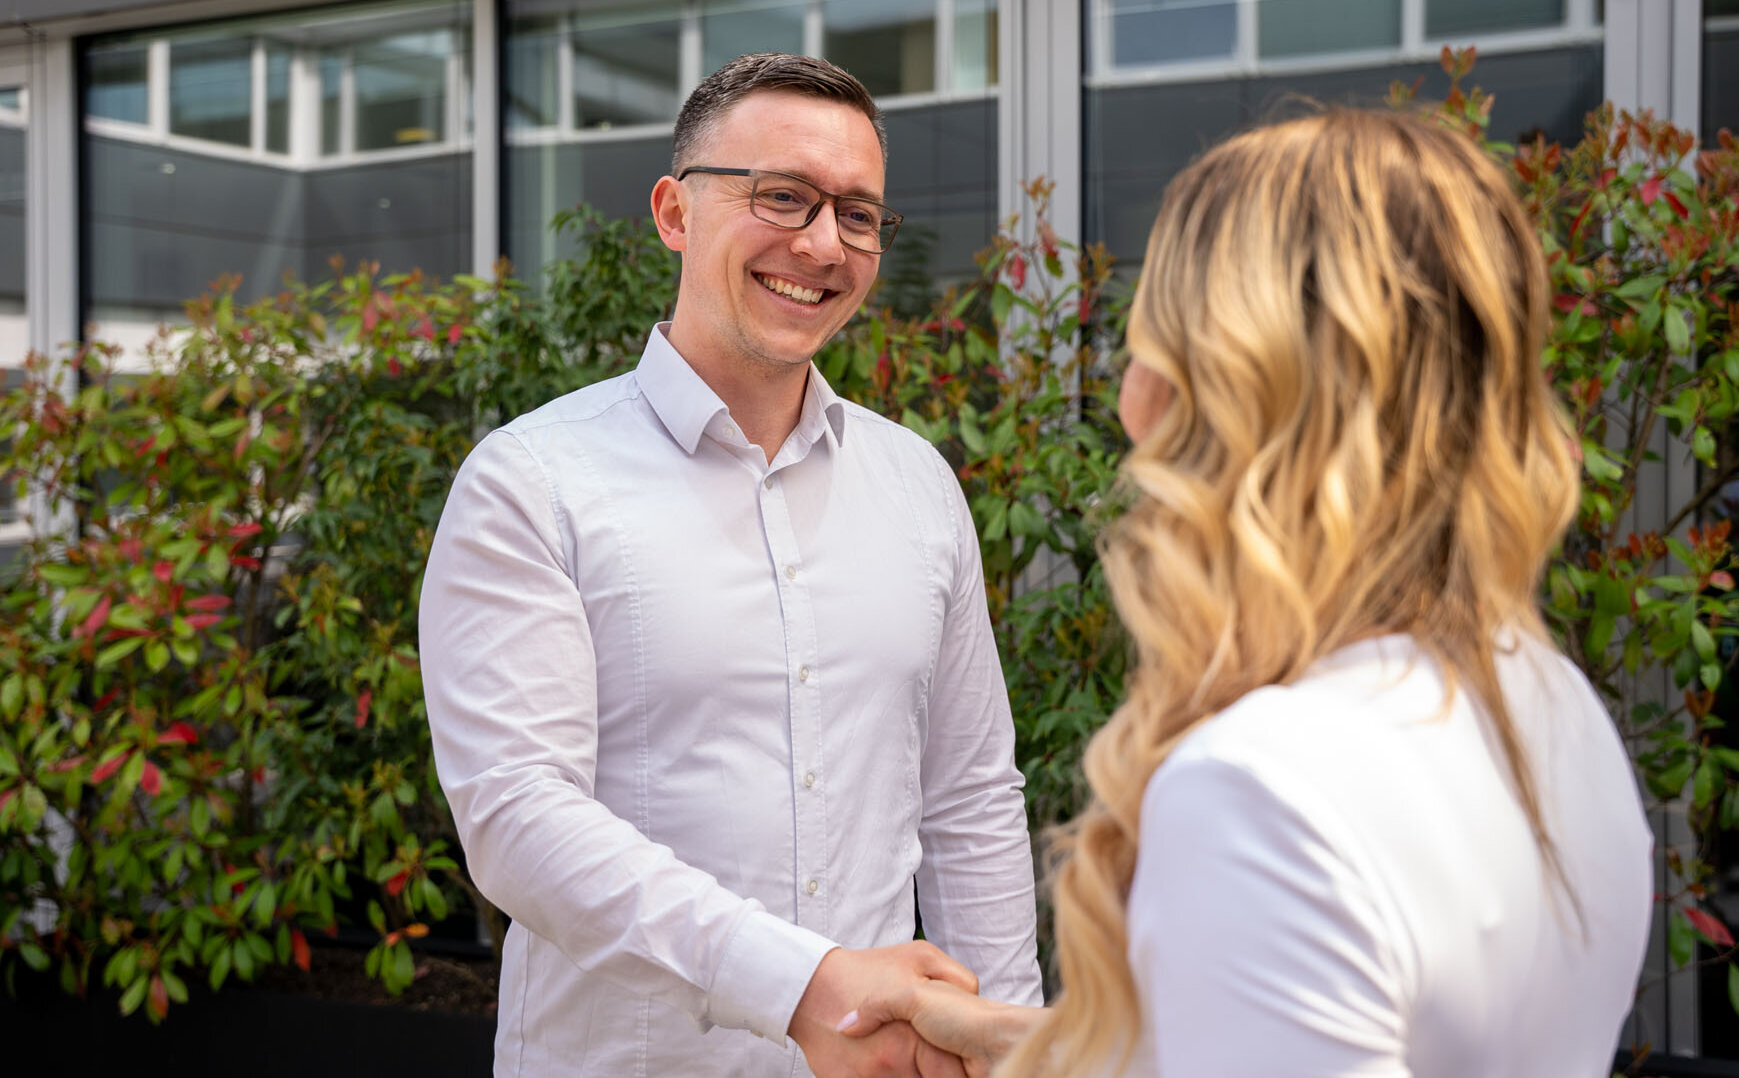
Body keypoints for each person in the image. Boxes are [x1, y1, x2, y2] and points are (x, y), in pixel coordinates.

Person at [837, 109, 1655, 1077]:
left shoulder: (1261, 791)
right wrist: (1038, 1053)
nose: (1127, 399)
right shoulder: (1548, 705)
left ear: (1229, 396)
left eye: (1148, 347)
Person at [419, 53, 1042, 1078]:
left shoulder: (917, 484)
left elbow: (969, 797)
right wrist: (801, 984)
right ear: (674, 212)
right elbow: (519, 820)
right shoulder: (530, 483)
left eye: (857, 214)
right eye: (783, 196)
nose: (821, 243)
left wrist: (1009, 1041)